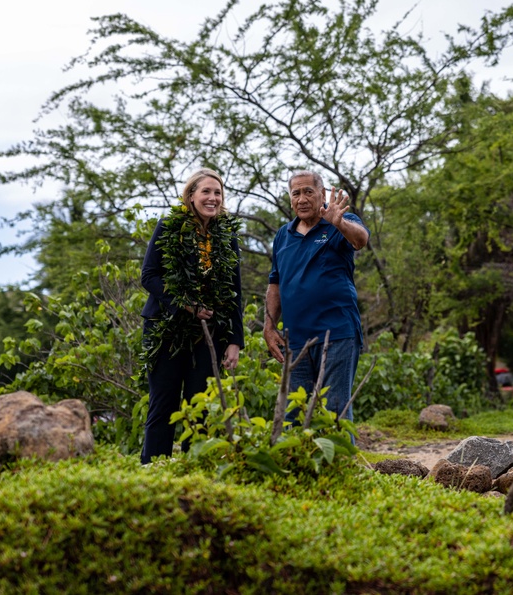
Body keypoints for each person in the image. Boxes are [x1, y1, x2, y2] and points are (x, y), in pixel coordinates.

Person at [140, 169, 244, 464]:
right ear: (191, 196)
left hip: (208, 334)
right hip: (167, 330)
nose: (212, 198)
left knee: (200, 406)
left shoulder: (226, 234)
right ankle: (154, 470)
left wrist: (235, 340)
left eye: (218, 193)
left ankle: (194, 471)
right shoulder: (169, 226)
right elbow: (149, 276)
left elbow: (234, 289)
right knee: (164, 405)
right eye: (206, 192)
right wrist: (186, 304)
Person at [263, 171, 369, 422]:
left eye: (308, 192)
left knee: (335, 409)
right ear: (290, 199)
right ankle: (296, 462)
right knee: (294, 413)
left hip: (337, 333)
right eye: (296, 193)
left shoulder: (340, 221)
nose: (302, 199)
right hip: (295, 338)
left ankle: (340, 462)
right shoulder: (283, 235)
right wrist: (269, 326)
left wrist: (339, 223)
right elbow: (275, 284)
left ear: (322, 194)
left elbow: (361, 240)